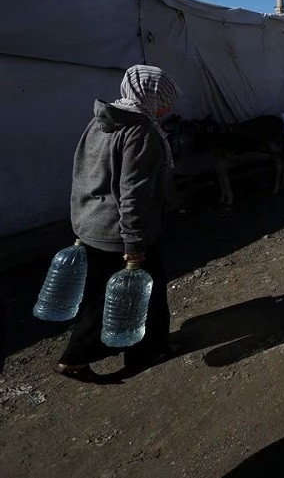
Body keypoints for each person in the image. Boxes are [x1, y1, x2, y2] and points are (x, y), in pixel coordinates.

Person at [56, 65, 181, 381]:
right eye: (165, 100)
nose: (168, 108)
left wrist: (80, 218)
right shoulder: (141, 132)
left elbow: (81, 172)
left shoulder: (102, 121)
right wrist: (134, 242)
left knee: (101, 292)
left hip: (91, 224)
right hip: (120, 231)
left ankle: (136, 349)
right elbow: (133, 193)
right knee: (139, 292)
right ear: (149, 97)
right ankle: (85, 356)